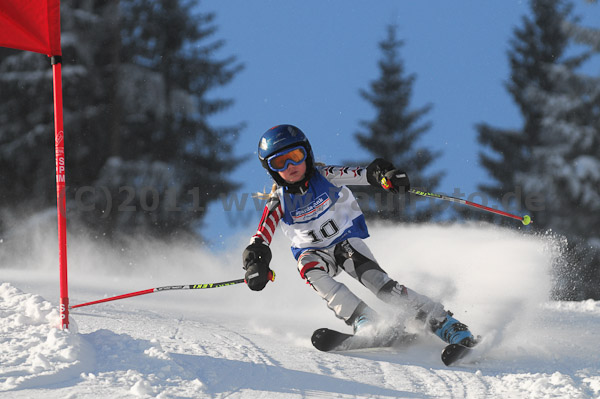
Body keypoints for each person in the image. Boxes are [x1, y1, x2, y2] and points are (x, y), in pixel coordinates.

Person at [242, 124, 477, 347]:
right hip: (313, 252)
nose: (290, 165)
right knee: (307, 266)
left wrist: (385, 176)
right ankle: (364, 320)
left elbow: (364, 174)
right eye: (280, 162)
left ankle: (446, 324)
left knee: (380, 284)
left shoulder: (325, 175)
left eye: (296, 155)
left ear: (308, 154)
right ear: (271, 170)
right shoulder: (279, 201)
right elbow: (261, 237)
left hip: (344, 243)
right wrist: (256, 263)